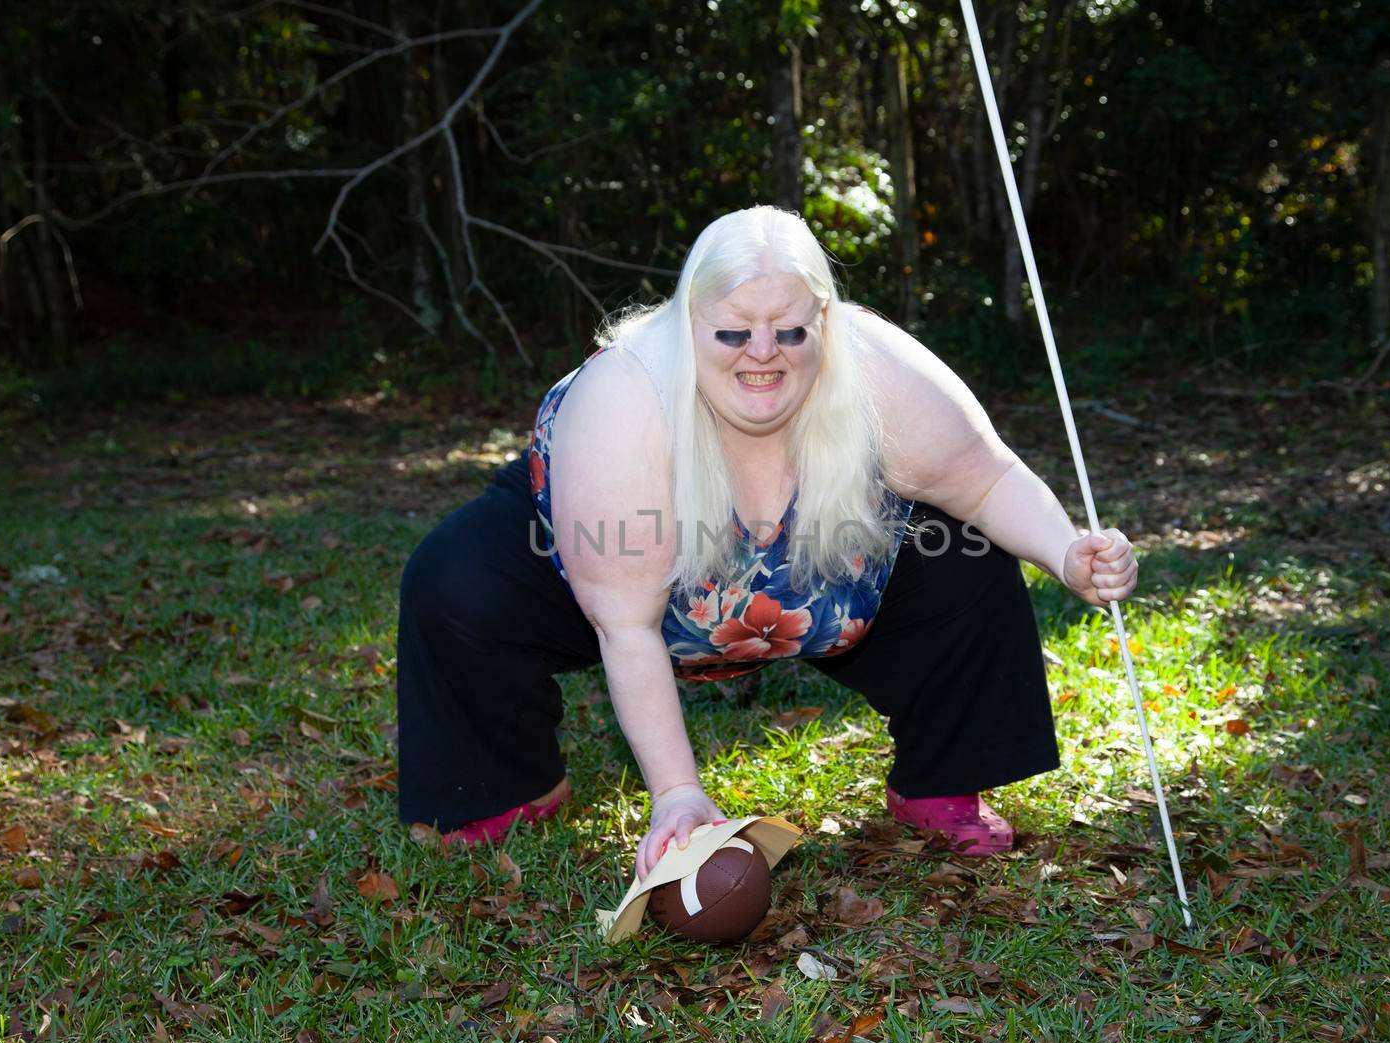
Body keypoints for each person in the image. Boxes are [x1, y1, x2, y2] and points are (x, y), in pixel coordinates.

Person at [397, 205, 1136, 883]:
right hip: (608, 562)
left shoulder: (881, 374)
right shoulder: (624, 402)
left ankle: (943, 781)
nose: (763, 354)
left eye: (790, 331)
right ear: (689, 323)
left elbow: (986, 482)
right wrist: (679, 795)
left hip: (819, 568)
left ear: (825, 321)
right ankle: (507, 782)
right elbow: (624, 622)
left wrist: (1068, 551)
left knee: (965, 550)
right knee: (455, 581)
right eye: (732, 332)